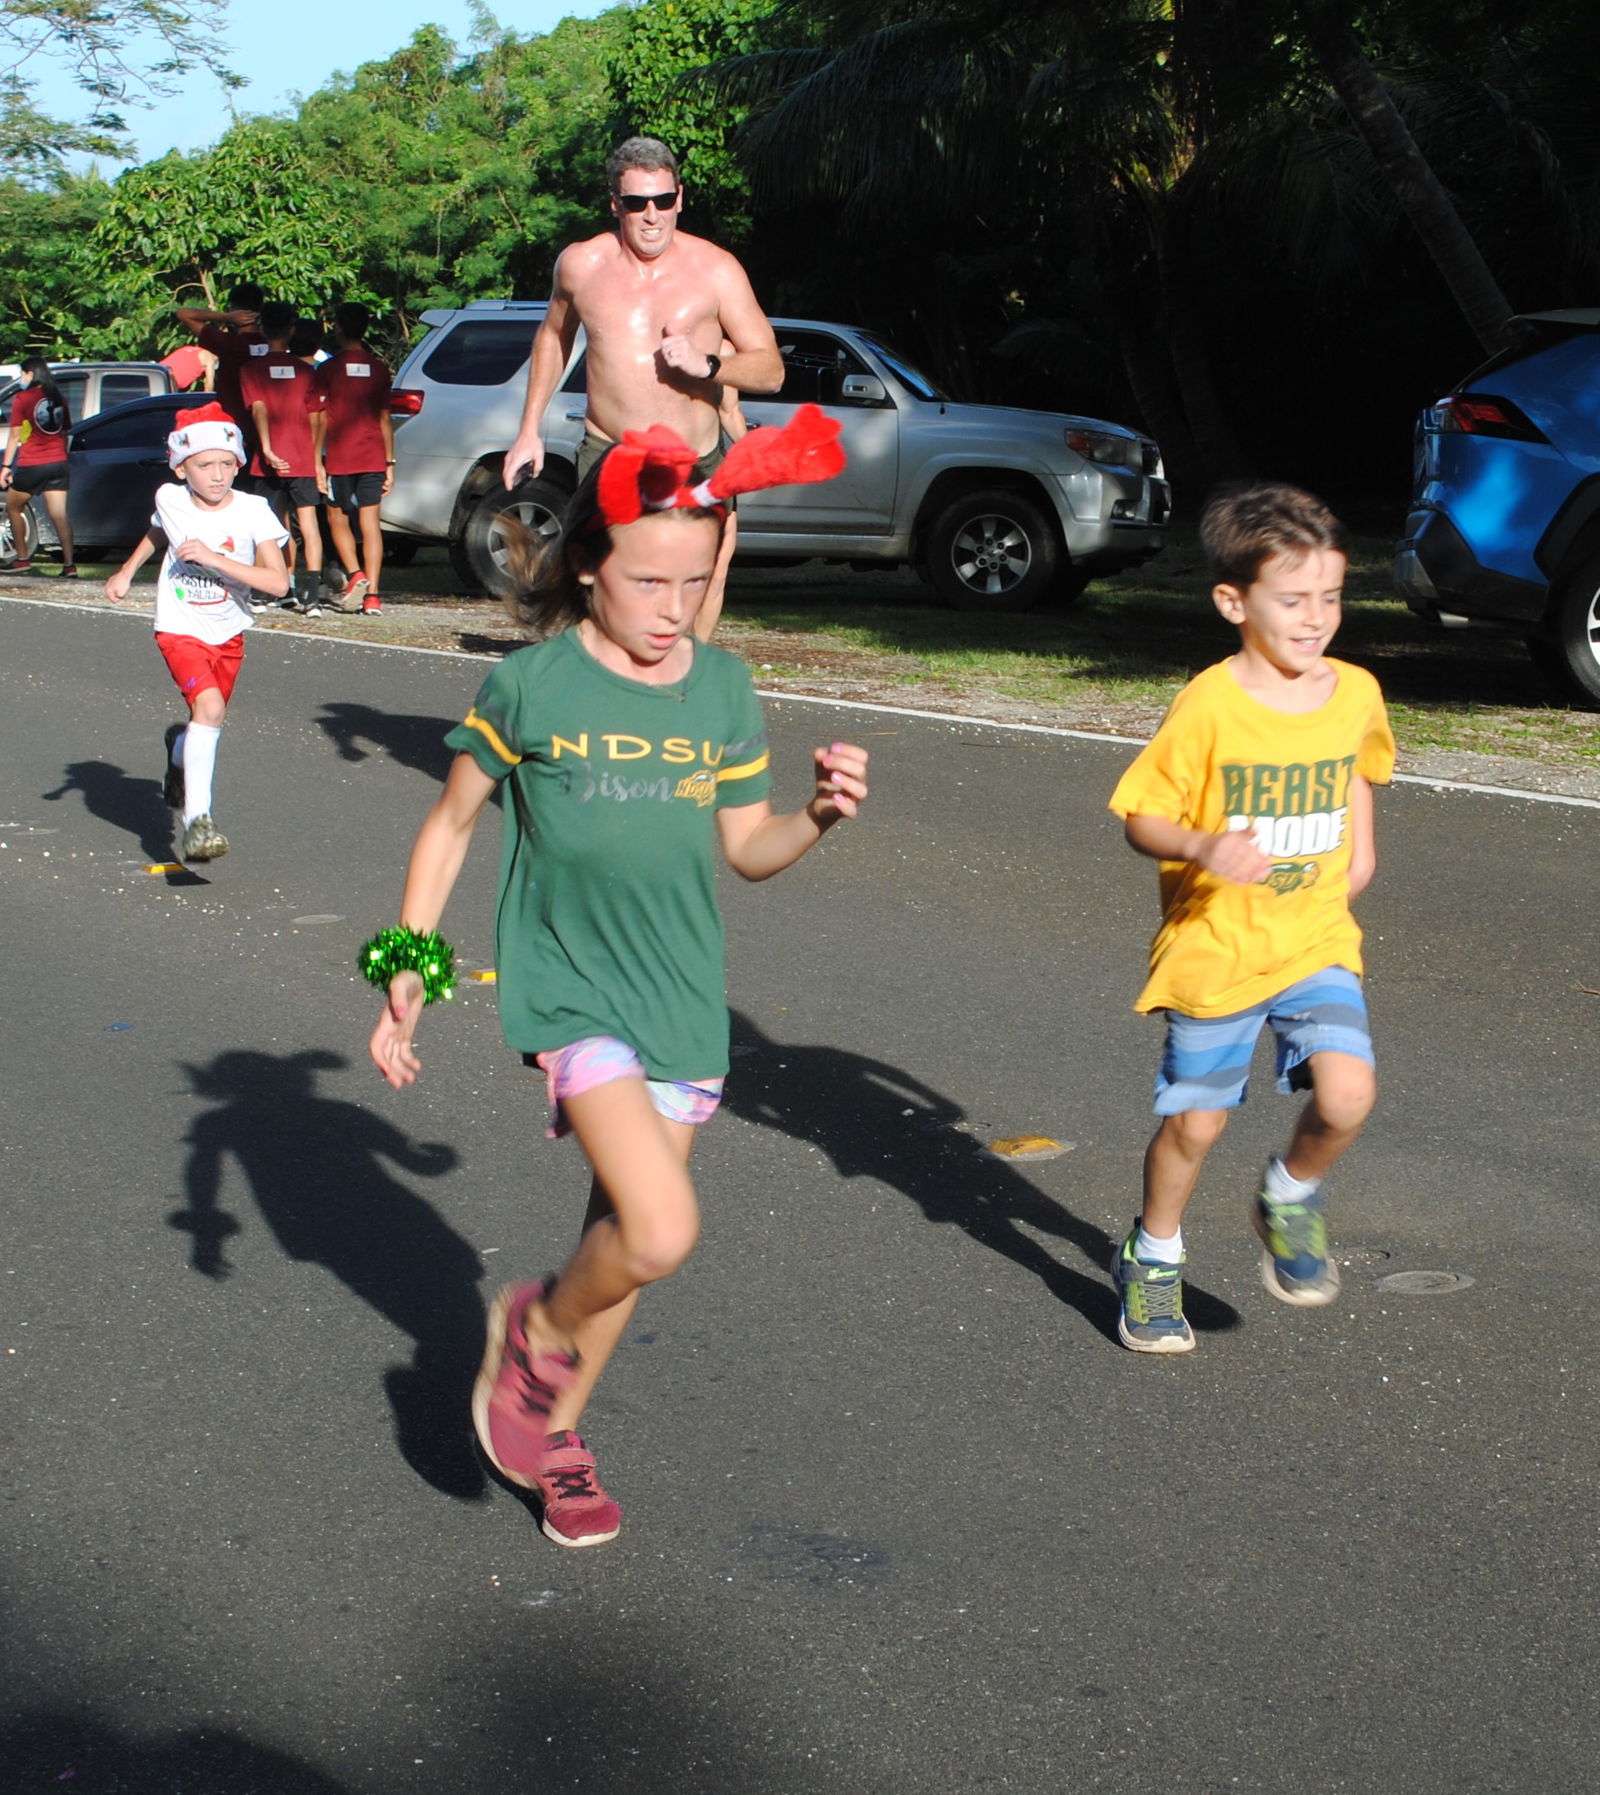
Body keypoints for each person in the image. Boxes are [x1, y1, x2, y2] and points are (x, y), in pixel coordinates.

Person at [365, 407, 863, 1548]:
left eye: (691, 584)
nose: (670, 609)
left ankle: (551, 1437)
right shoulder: (533, 687)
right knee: (659, 1226)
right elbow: (447, 827)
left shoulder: (723, 688)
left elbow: (747, 849)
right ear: (588, 565)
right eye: (648, 582)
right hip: (571, 988)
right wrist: (409, 964)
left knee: (621, 1241)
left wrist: (819, 818)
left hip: (681, 996)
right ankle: (530, 1328)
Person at [1106, 481, 1396, 1354]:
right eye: (1294, 599)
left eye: (1332, 597)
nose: (1317, 619)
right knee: (1196, 1124)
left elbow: (1357, 776)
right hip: (1216, 949)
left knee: (1349, 1094)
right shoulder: (1209, 704)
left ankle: (1292, 1192)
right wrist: (1201, 845)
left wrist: (1360, 856)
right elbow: (1139, 818)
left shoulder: (1355, 692)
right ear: (1234, 601)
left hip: (1314, 939)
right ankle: (1153, 1255)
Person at [502, 136, 783, 641]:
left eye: (663, 200)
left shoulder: (716, 269)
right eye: (636, 203)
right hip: (613, 452)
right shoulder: (581, 265)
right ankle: (608, 685)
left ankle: (686, 685)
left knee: (703, 577)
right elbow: (552, 337)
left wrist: (709, 364)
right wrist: (529, 431)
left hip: (695, 459)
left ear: (680, 197)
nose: (652, 215)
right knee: (607, 580)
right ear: (615, 204)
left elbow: (771, 370)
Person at [103, 403, 290, 862]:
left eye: (228, 464)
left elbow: (279, 582)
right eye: (205, 465)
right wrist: (126, 573)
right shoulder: (169, 498)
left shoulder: (253, 510)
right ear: (181, 466)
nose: (217, 474)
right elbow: (158, 533)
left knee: (206, 718)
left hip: (227, 631)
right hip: (179, 625)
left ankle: (178, 750)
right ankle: (197, 822)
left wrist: (216, 559)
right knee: (210, 707)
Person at [240, 302, 326, 615]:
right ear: (291, 331)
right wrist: (316, 459)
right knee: (308, 523)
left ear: (262, 329)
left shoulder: (251, 370)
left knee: (269, 525)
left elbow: (259, 408)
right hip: (302, 457)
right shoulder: (307, 372)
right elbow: (318, 417)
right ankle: (312, 597)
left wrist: (266, 449)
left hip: (268, 460)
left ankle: (265, 592)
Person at [314, 302, 394, 614]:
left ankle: (355, 573)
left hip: (340, 455)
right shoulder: (378, 368)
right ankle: (373, 595)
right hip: (374, 453)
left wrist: (317, 458)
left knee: (337, 516)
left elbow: (319, 418)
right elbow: (385, 418)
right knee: (371, 524)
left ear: (340, 328)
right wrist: (390, 463)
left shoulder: (328, 370)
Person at [176, 282, 270, 454]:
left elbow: (183, 313)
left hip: (234, 431)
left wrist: (227, 317)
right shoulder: (273, 344)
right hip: (270, 432)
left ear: (234, 308)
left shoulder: (229, 344)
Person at [1, 357, 75, 576]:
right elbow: (64, 433)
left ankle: (22, 558)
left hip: (32, 463)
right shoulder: (59, 398)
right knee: (59, 515)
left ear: (30, 374)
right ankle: (69, 564)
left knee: (14, 507)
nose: (21, 378)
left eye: (23, 373)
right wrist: (62, 457)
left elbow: (15, 436)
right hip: (58, 463)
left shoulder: (22, 399)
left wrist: (6, 466)